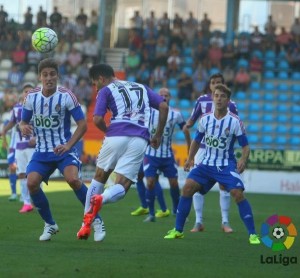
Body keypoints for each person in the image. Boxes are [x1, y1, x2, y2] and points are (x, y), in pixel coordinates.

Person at [76, 63, 169, 240]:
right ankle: (103, 198)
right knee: (123, 186)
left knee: (99, 177)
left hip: (116, 134)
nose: (96, 87)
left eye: (96, 83)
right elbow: (164, 107)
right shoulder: (141, 87)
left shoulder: (105, 90)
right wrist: (158, 134)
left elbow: (96, 119)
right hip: (140, 138)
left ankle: (85, 224)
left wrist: (108, 131)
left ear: (101, 79)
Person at [19, 58, 105, 242]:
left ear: (57, 76)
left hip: (63, 148)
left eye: (52, 74)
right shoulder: (31, 97)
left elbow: (82, 125)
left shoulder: (67, 96)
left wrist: (68, 145)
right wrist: (22, 126)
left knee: (73, 179)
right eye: (45, 75)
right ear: (40, 77)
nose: (49, 78)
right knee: (31, 183)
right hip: (42, 152)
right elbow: (23, 121)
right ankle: (50, 224)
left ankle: (95, 220)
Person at [164, 84, 260, 245]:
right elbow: (197, 140)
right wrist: (190, 158)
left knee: (237, 193)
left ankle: (253, 234)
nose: (219, 99)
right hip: (206, 165)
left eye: (222, 96)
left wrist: (243, 159)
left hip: (225, 165)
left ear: (228, 100)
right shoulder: (205, 119)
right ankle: (178, 230)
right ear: (212, 98)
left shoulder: (235, 121)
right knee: (187, 188)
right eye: (216, 96)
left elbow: (245, 146)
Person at [183, 73, 238, 233]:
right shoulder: (201, 101)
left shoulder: (231, 105)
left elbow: (236, 128)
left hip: (221, 152)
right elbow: (192, 120)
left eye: (218, 82)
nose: (215, 85)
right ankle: (199, 222)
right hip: (202, 150)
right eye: (213, 83)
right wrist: (187, 125)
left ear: (224, 85)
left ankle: (225, 222)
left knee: (224, 185)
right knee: (196, 185)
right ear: (210, 85)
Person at [143, 87, 191, 222]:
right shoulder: (149, 112)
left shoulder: (176, 114)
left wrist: (189, 148)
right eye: (161, 95)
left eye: (167, 95)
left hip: (167, 155)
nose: (164, 97)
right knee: (151, 182)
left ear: (170, 98)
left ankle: (176, 211)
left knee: (174, 183)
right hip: (150, 153)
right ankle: (151, 213)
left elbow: (185, 129)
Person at [1, 84, 36, 213]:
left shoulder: (37, 107)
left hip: (33, 146)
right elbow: (12, 121)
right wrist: (4, 130)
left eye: (30, 91)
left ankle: (37, 200)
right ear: (22, 93)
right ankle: (26, 202)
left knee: (34, 174)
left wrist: (37, 138)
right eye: (25, 91)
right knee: (21, 173)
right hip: (19, 146)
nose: (27, 93)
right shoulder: (16, 108)